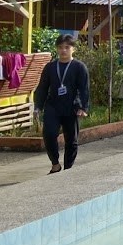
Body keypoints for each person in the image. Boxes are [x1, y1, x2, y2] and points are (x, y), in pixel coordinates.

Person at [34, 35, 89, 174]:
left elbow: (84, 88)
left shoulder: (79, 67)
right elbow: (42, 88)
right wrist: (38, 106)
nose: (63, 50)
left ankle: (68, 169)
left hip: (72, 107)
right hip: (53, 106)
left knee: (71, 140)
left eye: (67, 47)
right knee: (49, 133)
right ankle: (55, 164)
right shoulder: (50, 67)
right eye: (60, 47)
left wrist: (83, 107)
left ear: (73, 49)